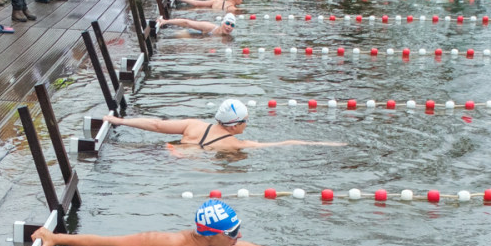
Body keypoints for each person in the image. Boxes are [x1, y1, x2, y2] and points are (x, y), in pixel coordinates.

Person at [33, 199, 381, 246]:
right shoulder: (166, 245)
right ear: (208, 234)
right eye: (232, 233)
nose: (239, 236)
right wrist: (58, 238)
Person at [105, 99, 343, 152]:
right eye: (245, 120)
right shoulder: (234, 144)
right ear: (234, 125)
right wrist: (320, 143)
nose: (247, 123)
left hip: (165, 152)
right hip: (180, 162)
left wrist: (119, 120)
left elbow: (156, 125)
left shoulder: (192, 124)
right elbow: (282, 143)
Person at [156, 12, 236, 39]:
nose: (229, 27)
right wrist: (166, 21)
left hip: (195, 38)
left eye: (232, 25)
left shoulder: (228, 38)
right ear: (222, 22)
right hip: (188, 33)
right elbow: (186, 22)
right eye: (227, 23)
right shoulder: (210, 27)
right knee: (166, 38)